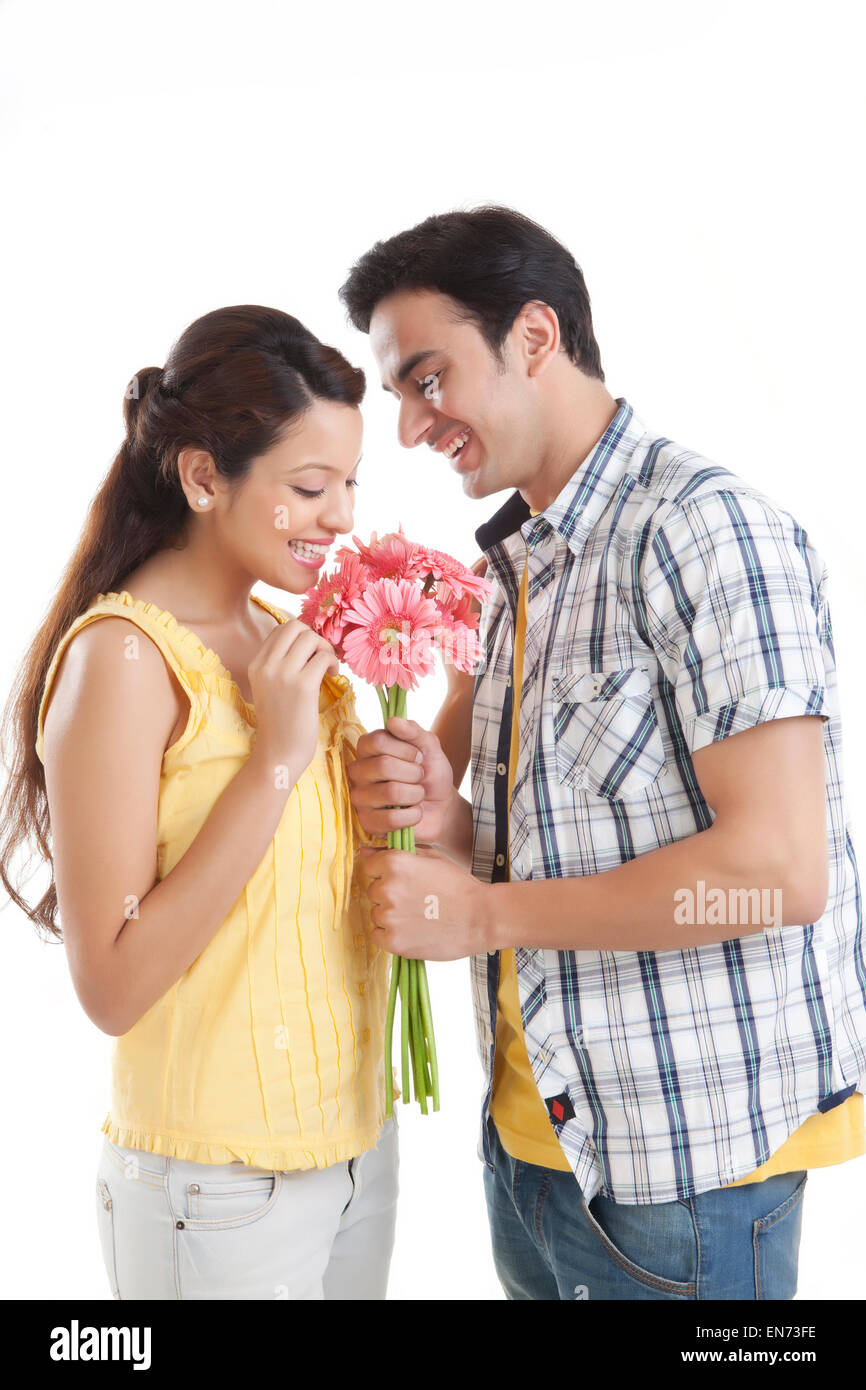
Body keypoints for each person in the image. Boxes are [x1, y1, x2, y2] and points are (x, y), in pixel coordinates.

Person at [338, 206, 866, 1300]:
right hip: (536, 1148)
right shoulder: (516, 568)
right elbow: (569, 841)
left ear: (533, 336)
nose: (406, 427)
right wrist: (453, 823)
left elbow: (773, 877)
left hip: (687, 1175)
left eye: (425, 379)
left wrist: (482, 915)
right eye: (395, 393)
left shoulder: (701, 529)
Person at [0, 305, 398, 1300]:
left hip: (354, 1151)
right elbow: (113, 985)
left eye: (349, 484)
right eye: (309, 488)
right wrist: (275, 759)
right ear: (201, 476)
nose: (342, 517)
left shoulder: (279, 641)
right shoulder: (122, 660)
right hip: (216, 1188)